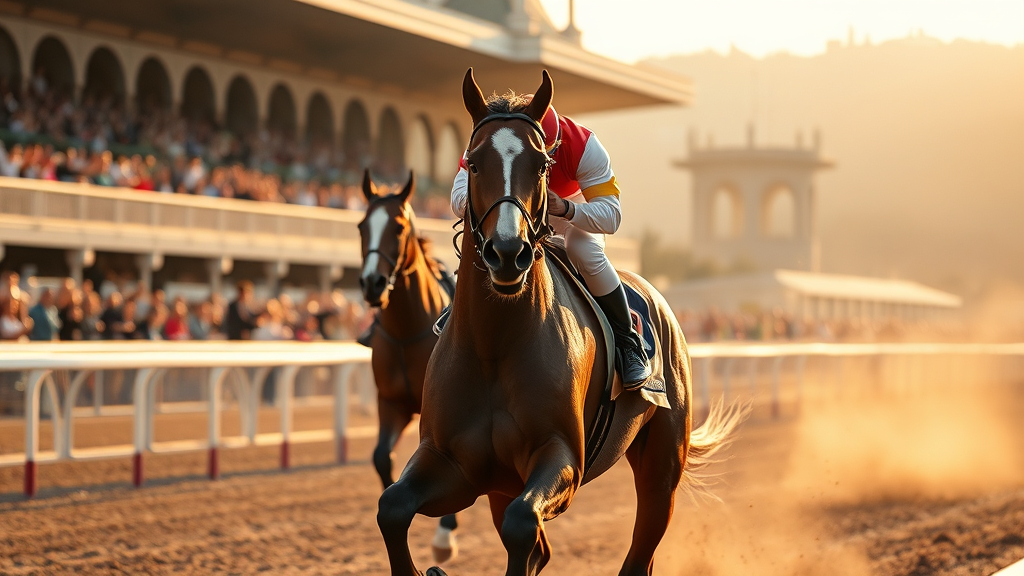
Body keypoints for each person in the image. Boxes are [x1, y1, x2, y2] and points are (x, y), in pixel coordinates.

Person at [449, 93, 651, 387]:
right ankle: (456, 316)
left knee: (582, 249)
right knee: (486, 240)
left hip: (571, 209)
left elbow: (612, 216)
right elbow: (458, 200)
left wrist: (567, 209)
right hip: (518, 209)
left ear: (554, 145)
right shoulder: (492, 138)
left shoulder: (584, 145)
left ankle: (627, 340)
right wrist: (498, 204)